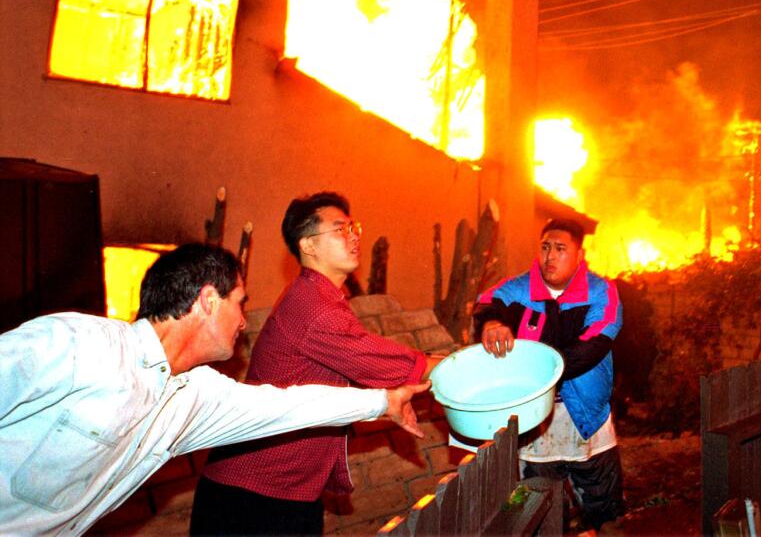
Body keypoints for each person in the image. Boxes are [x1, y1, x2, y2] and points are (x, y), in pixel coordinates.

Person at [0, 244, 429, 535]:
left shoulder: (193, 395)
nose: (244, 320)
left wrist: (382, 401)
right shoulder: (78, 344)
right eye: (239, 303)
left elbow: (286, 405)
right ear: (208, 300)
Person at [193, 192, 434, 535]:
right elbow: (397, 365)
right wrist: (465, 365)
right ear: (308, 245)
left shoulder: (323, 298)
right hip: (252, 499)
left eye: (354, 228)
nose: (353, 236)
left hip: (285, 493)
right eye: (340, 230)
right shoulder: (313, 307)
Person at [473, 218, 625, 531]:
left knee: (604, 515)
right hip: (534, 426)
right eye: (545, 248)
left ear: (580, 255)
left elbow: (592, 347)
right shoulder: (518, 289)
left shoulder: (601, 293)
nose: (550, 256)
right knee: (537, 514)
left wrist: (534, 372)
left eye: (560, 249)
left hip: (588, 422)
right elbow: (486, 302)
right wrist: (491, 324)